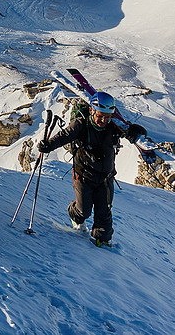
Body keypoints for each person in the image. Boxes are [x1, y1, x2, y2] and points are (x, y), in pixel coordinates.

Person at [37, 91, 147, 247]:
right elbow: (64, 135)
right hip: (84, 176)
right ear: (91, 110)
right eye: (100, 116)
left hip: (105, 178)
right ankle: (74, 214)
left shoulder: (113, 126)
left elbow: (128, 130)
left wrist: (135, 130)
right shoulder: (81, 125)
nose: (103, 120)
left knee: (104, 212)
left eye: (107, 117)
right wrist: (49, 145)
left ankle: (102, 241)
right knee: (84, 211)